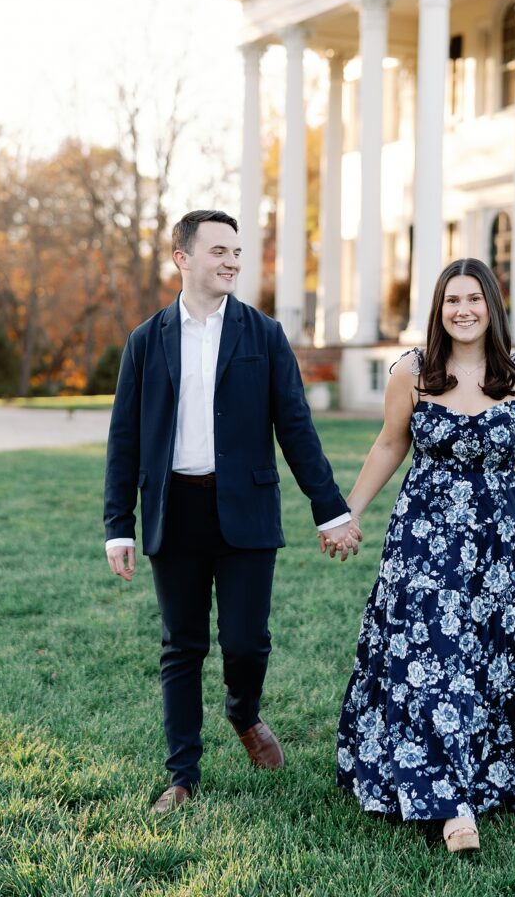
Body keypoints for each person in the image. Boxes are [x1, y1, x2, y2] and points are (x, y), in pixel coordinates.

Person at [103, 209, 360, 814]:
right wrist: (119, 525)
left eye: (238, 252)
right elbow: (125, 440)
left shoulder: (263, 334)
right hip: (175, 510)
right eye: (219, 250)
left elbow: (295, 428)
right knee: (182, 646)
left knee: (246, 641)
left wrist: (331, 511)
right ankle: (182, 775)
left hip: (246, 509)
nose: (232, 262)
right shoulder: (145, 342)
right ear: (182, 258)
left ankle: (244, 712)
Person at [332, 257, 515, 853]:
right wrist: (348, 512)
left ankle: (485, 778)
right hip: (423, 540)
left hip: (497, 540)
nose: (463, 310)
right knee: (430, 656)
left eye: (475, 299)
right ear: (438, 308)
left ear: (492, 306)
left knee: (485, 658)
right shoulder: (411, 370)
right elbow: (389, 444)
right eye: (452, 299)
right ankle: (452, 805)